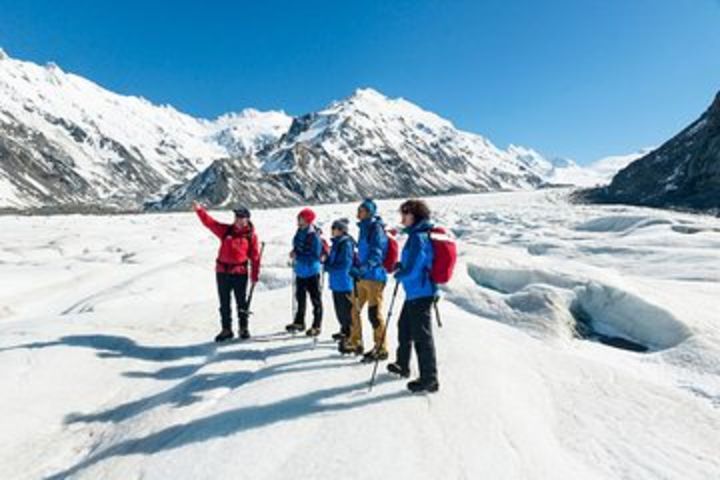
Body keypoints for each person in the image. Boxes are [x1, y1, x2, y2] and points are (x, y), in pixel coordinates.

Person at [387, 199, 440, 393]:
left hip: (421, 292)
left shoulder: (418, 237)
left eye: (405, 214)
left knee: (422, 337)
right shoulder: (415, 236)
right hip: (415, 292)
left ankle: (429, 379)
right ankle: (403, 364)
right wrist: (402, 266)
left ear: (414, 215)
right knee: (404, 328)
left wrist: (402, 273)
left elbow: (416, 266)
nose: (402, 218)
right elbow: (412, 263)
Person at [192, 200, 261, 342]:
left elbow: (255, 257)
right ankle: (226, 329)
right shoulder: (226, 230)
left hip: (240, 273)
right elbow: (210, 223)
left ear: (247, 219)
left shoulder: (251, 236)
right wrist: (199, 210)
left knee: (241, 302)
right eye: (236, 217)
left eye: (241, 217)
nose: (238, 220)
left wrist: (254, 275)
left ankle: (243, 328)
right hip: (222, 272)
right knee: (224, 303)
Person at [340, 199, 389, 361]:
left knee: (374, 314)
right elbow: (363, 253)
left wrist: (363, 268)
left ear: (368, 212)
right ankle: (356, 341)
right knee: (354, 310)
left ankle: (381, 347)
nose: (358, 212)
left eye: (361, 210)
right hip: (362, 277)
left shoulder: (376, 229)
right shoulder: (363, 228)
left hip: (374, 278)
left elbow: (376, 254)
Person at [286, 207, 324, 336]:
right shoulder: (300, 232)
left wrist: (298, 256)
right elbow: (298, 247)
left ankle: (316, 325)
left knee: (315, 299)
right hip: (301, 270)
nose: (298, 220)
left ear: (307, 220)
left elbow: (315, 256)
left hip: (311, 271)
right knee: (300, 297)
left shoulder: (314, 236)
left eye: (301, 218)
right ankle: (299, 322)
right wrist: (295, 252)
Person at [324, 218, 356, 343]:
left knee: (346, 309)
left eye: (334, 228)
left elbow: (345, 264)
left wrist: (329, 267)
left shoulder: (345, 244)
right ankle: (344, 330)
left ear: (341, 230)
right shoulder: (337, 243)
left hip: (344, 281)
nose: (332, 230)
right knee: (339, 309)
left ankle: (349, 333)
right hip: (337, 281)